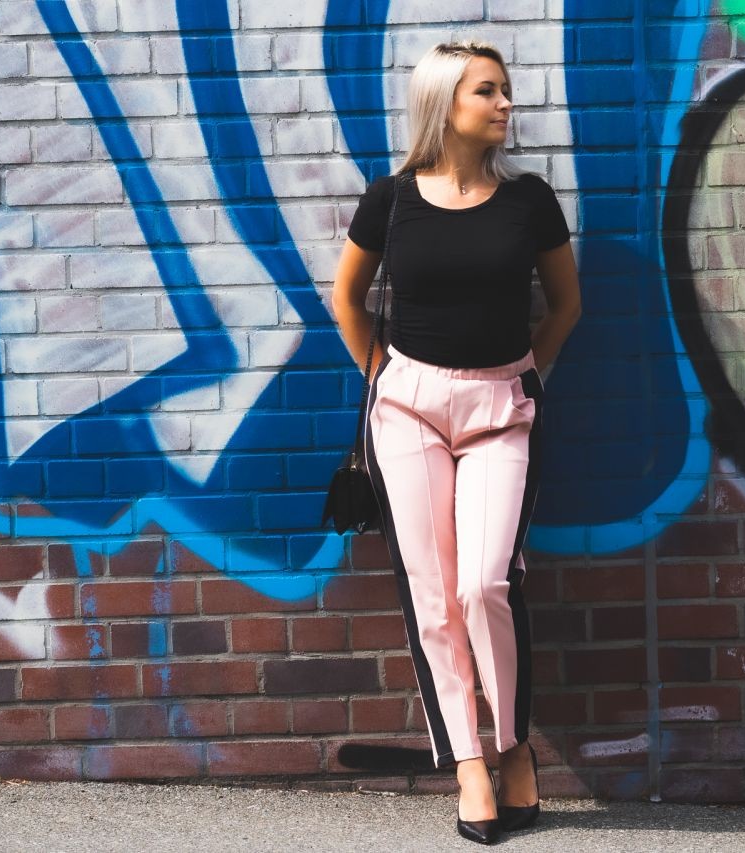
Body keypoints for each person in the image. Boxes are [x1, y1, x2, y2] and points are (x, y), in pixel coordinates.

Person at [330, 40, 582, 845]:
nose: (506, 104)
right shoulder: (391, 199)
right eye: (488, 92)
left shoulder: (529, 201)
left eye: (506, 90)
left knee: (484, 584)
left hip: (501, 406)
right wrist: (385, 379)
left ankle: (513, 745)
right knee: (433, 595)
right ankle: (470, 763)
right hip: (408, 409)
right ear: (446, 103)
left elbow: (565, 305)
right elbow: (347, 299)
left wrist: (525, 375)